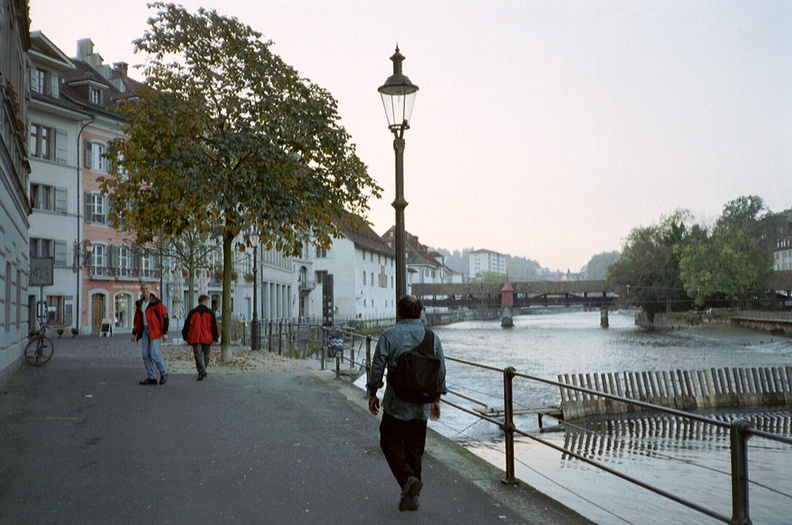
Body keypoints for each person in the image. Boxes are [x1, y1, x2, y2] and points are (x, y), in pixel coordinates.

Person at [367, 295, 447, 512]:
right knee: (415, 450)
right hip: (421, 406)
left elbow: (377, 367)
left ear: (399, 312)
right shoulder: (432, 337)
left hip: (397, 404)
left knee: (388, 440)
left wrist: (373, 392)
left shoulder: (389, 335)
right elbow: (440, 371)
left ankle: (407, 481)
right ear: (420, 313)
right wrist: (436, 400)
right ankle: (412, 496)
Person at [131, 284, 170, 385]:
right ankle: (152, 377)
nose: (145, 291)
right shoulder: (140, 304)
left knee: (154, 353)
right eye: (143, 289)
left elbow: (164, 317)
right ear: (141, 290)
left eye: (147, 289)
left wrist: (165, 332)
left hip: (155, 330)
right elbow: (137, 319)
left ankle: (164, 372)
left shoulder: (156, 302)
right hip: (145, 330)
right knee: (145, 354)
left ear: (150, 290)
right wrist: (134, 332)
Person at [181, 294, 219, 381]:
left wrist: (185, 335)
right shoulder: (210, 312)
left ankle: (202, 371)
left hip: (196, 337)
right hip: (207, 337)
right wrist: (215, 337)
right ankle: (203, 370)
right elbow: (214, 326)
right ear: (205, 301)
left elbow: (187, 325)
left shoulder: (192, 312)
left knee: (197, 355)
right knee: (206, 355)